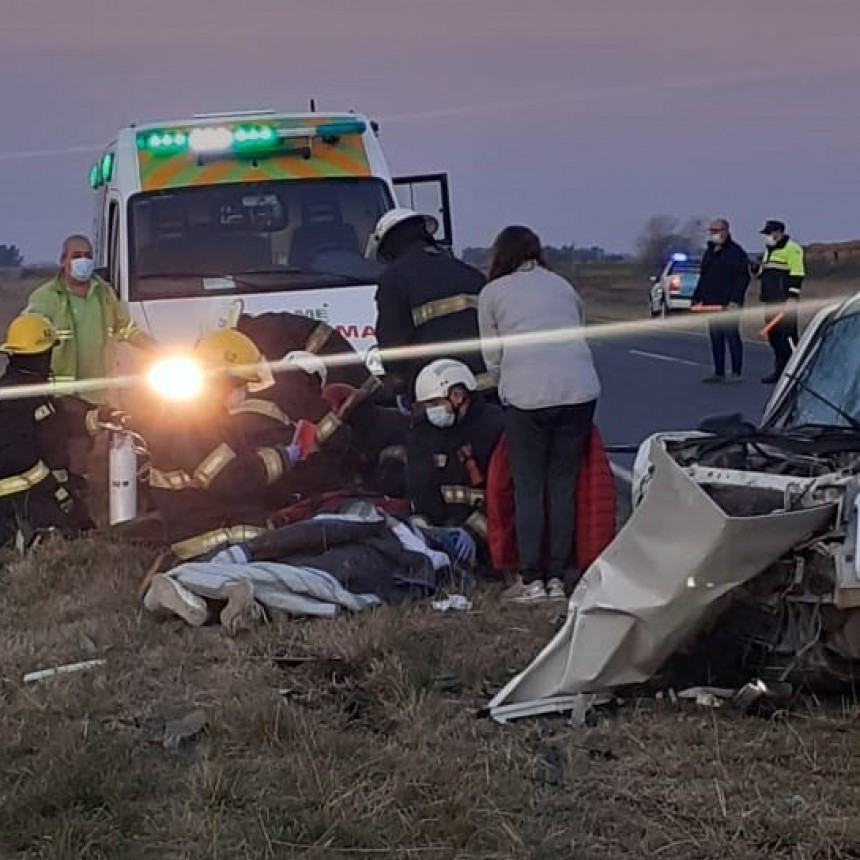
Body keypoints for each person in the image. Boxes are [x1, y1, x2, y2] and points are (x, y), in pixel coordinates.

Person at [478, 225, 601, 602]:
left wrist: (504, 389)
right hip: (579, 392)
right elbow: (578, 329)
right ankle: (558, 579)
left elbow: (492, 355)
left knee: (529, 487)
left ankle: (530, 578)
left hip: (528, 397)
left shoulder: (493, 293)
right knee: (561, 485)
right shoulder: (562, 285)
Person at [25, 234, 158, 489]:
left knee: (108, 452)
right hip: (64, 394)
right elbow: (28, 337)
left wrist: (157, 350)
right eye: (76, 256)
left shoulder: (104, 293)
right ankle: (75, 503)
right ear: (63, 261)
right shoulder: (45, 298)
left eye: (87, 255)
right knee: (73, 452)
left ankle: (99, 504)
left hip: (100, 391)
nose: (83, 261)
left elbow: (127, 329)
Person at [0, 313, 124, 548]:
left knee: (85, 529)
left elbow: (59, 422)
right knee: (64, 539)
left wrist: (97, 417)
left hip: (42, 490)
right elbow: (17, 457)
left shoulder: (34, 389)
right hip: (18, 500)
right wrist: (55, 490)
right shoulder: (11, 398)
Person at [365, 208, 492, 411]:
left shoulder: (394, 280)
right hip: (484, 392)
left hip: (437, 397)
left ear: (390, 247)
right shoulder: (471, 274)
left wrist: (400, 386)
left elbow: (392, 344)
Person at [406, 359, 505, 566]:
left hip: (490, 529)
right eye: (427, 406)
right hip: (445, 527)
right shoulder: (425, 433)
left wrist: (473, 532)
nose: (431, 412)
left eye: (435, 404)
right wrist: (424, 524)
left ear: (457, 396)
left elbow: (506, 492)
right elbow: (420, 484)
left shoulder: (495, 428)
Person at [691, 218, 751, 383]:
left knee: (731, 335)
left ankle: (737, 372)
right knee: (715, 336)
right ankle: (719, 371)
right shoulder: (709, 252)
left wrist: (735, 300)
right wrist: (697, 297)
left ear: (725, 231)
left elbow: (742, 278)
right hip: (712, 302)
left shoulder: (735, 252)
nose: (713, 234)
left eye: (716, 231)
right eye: (711, 231)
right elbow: (704, 277)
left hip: (729, 303)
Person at [754, 219, 805, 384]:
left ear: (779, 232)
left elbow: (797, 274)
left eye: (770, 233)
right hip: (770, 300)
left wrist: (792, 297)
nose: (767, 237)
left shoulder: (792, 249)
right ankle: (780, 370)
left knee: (788, 337)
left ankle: (798, 371)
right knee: (774, 336)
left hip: (784, 302)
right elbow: (766, 272)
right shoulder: (770, 250)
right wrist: (756, 269)